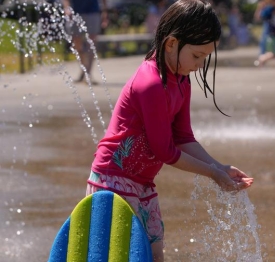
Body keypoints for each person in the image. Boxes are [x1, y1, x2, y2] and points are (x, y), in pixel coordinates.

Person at [85, 0, 254, 261]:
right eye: (197, 55)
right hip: (112, 179)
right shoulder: (151, 82)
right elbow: (163, 149)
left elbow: (183, 137)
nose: (200, 64)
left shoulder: (182, 80)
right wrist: (211, 173)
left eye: (205, 57)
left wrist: (220, 167)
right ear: (172, 43)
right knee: (120, 254)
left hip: (142, 184)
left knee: (154, 254)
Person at [62, 0, 108, 84]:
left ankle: (88, 74)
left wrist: (105, 10)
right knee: (77, 43)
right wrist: (67, 7)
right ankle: (84, 70)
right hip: (75, 10)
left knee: (91, 43)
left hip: (93, 10)